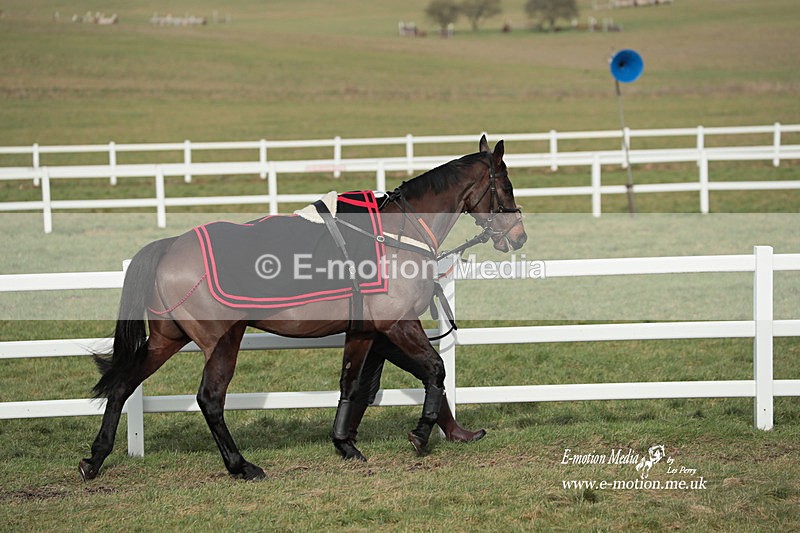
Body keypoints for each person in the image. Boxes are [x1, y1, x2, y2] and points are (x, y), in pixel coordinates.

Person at [346, 333, 486, 446]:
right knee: (432, 370)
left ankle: (346, 436)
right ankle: (437, 431)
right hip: (387, 329)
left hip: (374, 329)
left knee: (366, 384)